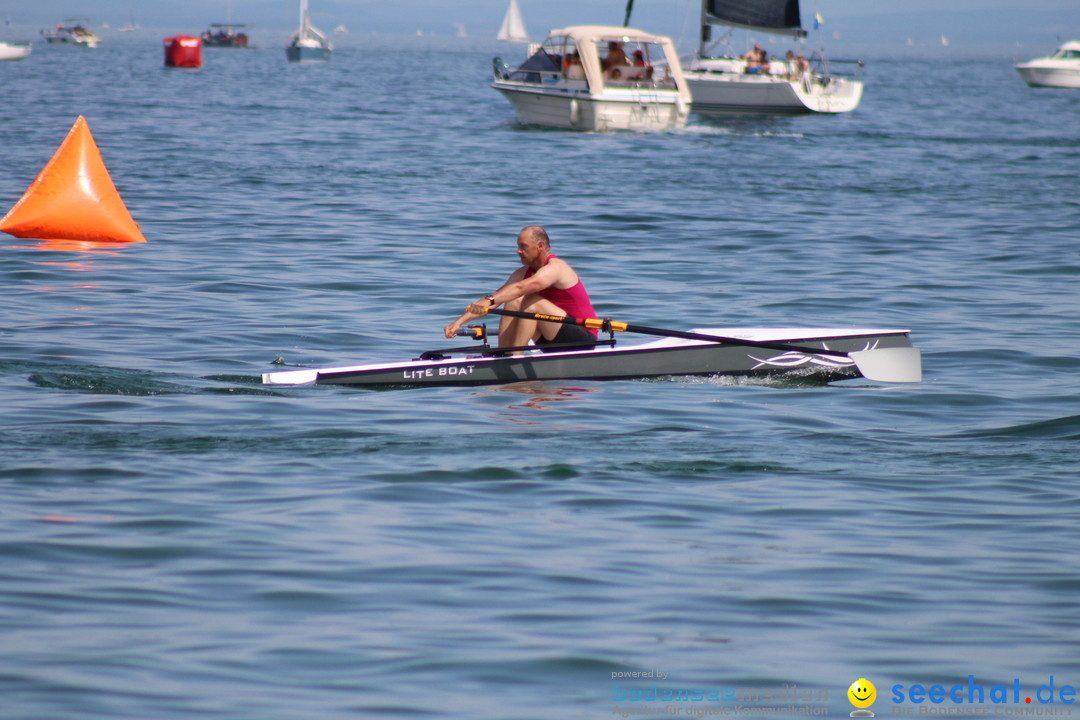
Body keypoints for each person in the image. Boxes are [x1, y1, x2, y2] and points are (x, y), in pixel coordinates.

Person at [443, 226, 599, 353]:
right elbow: (497, 297)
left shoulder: (556, 268)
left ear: (540, 246)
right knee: (512, 300)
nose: (518, 251)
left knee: (530, 301)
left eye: (523, 247)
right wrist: (458, 323)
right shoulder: (523, 272)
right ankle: (503, 355)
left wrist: (491, 300)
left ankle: (515, 358)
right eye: (518, 246)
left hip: (582, 338)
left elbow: (521, 288)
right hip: (551, 334)